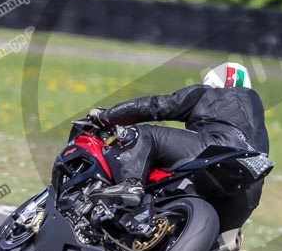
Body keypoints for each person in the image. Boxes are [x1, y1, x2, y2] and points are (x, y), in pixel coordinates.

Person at [87, 62, 269, 232]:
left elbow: (156, 106)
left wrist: (106, 116)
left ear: (214, 81)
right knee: (218, 234)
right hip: (250, 186)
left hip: (216, 148)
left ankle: (131, 184)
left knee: (146, 133)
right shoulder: (257, 116)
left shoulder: (209, 93)